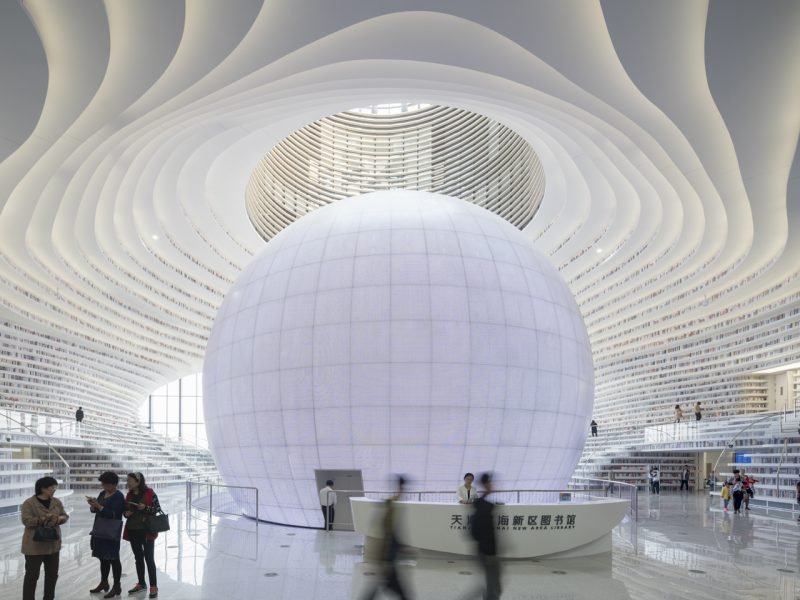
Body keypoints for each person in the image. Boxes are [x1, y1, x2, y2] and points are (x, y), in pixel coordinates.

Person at [360, 475, 412, 600]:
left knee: (380, 585)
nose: (404, 491)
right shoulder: (390, 505)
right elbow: (387, 531)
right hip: (387, 554)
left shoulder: (392, 504)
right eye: (403, 488)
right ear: (400, 487)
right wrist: (387, 555)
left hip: (388, 555)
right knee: (396, 589)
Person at [21, 476, 68, 600]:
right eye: (52, 487)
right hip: (34, 546)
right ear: (43, 488)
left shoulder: (56, 502)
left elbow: (65, 516)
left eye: (55, 487)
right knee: (32, 576)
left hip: (53, 545)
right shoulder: (29, 503)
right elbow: (26, 521)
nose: (54, 489)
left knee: (52, 575)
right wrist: (44, 518)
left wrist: (59, 518)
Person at [123, 473, 161, 598]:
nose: (128, 483)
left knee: (149, 559)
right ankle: (141, 583)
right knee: (138, 558)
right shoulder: (129, 495)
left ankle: (153, 586)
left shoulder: (150, 493)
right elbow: (125, 511)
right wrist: (126, 513)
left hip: (147, 531)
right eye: (127, 480)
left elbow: (157, 509)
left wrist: (145, 508)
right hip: (133, 530)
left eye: (130, 480)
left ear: (138, 481)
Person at [88, 471, 125, 597]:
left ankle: (117, 585)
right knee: (102, 557)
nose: (104, 486)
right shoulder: (102, 494)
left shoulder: (118, 496)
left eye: (106, 484)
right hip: (100, 529)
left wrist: (99, 506)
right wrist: (93, 506)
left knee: (113, 558)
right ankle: (104, 582)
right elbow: (95, 510)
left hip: (111, 531)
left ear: (114, 484)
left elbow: (114, 514)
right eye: (103, 484)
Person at [470, 472, 502, 600]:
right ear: (487, 484)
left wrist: (486, 493)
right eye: (491, 482)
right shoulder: (486, 507)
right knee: (494, 586)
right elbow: (484, 532)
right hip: (488, 553)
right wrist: (490, 554)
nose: (493, 485)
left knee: (493, 584)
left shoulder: (481, 504)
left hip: (486, 552)